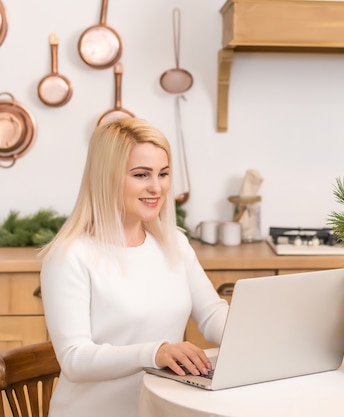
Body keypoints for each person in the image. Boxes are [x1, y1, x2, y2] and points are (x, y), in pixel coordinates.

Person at [39, 118, 229, 417]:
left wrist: (255, 331)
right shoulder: (69, 256)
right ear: (107, 177)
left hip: (162, 408)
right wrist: (156, 352)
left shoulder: (173, 243)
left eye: (163, 174)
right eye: (141, 175)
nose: (157, 187)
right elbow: (75, 359)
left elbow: (211, 313)